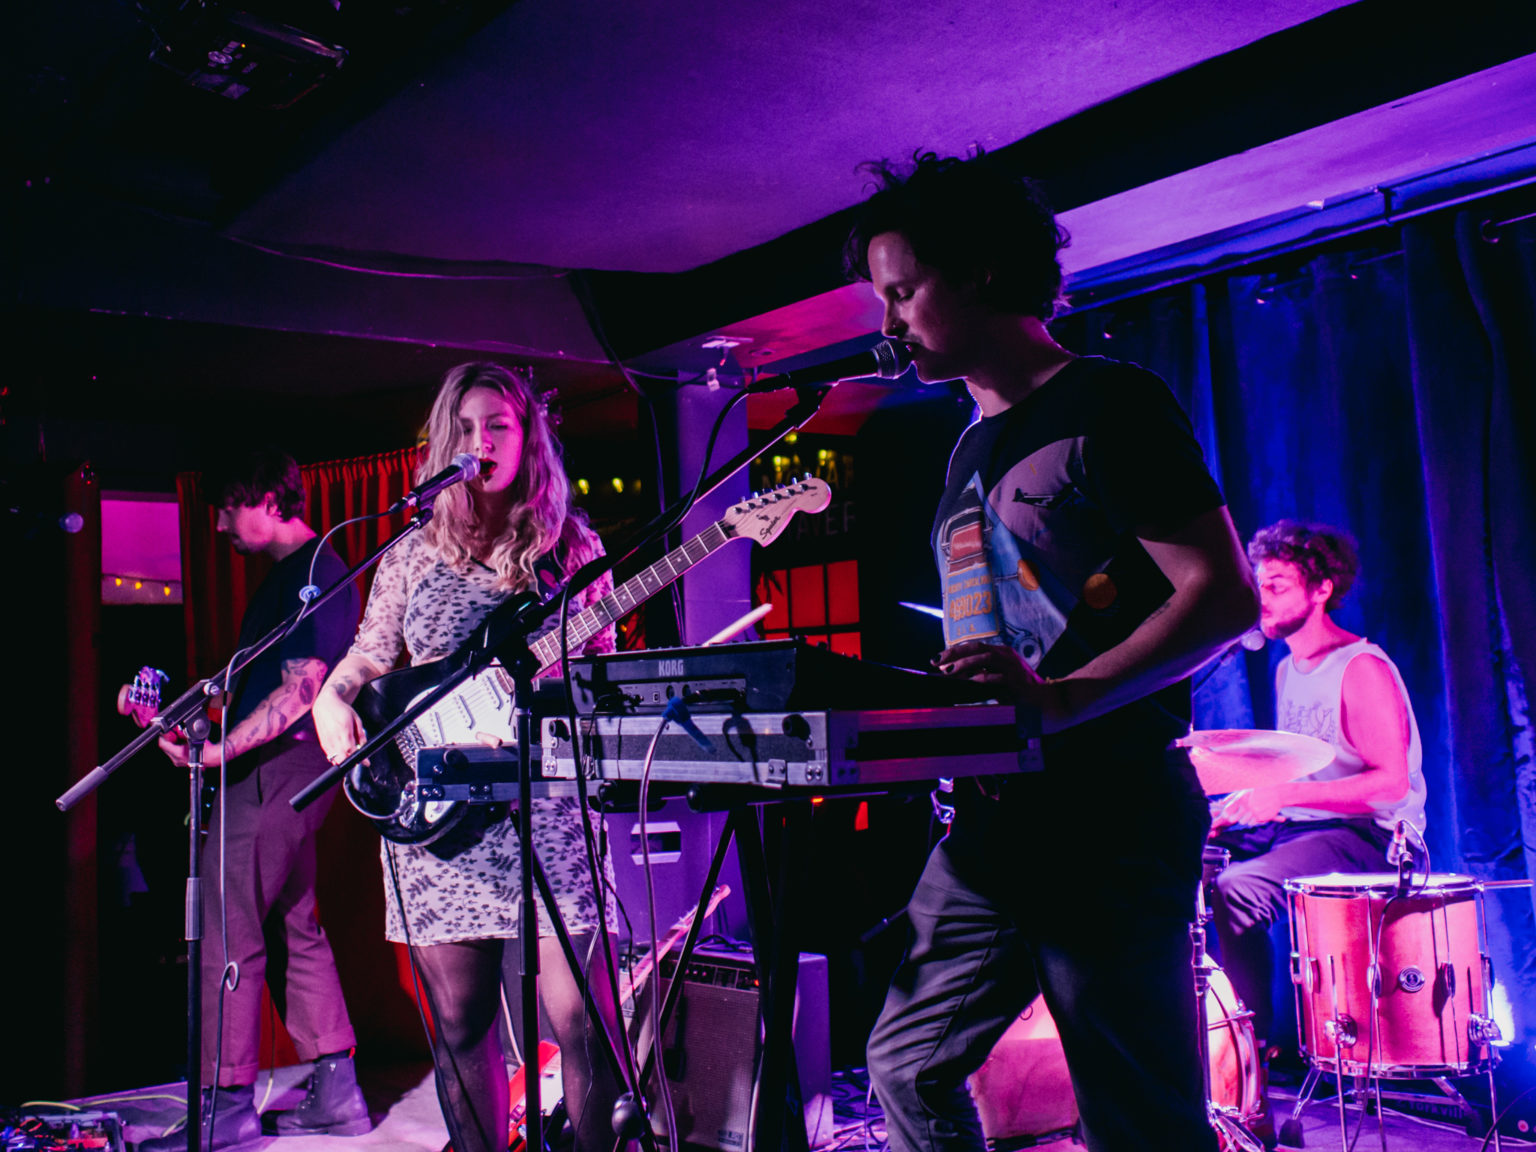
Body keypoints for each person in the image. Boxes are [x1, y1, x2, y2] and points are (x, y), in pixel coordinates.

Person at [845, 152, 1259, 1152]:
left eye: (903, 291)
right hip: (996, 820)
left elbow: (1224, 594)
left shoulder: (1109, 403)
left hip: (1109, 811)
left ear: (981, 272)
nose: (887, 321)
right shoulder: (963, 447)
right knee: (904, 1064)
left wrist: (1062, 698)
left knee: (1138, 1116)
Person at [312, 362, 624, 1152]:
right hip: (438, 811)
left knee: (584, 1020)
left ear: (528, 438)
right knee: (460, 1025)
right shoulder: (411, 552)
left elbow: (601, 676)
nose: (481, 442)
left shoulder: (570, 546)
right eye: (466, 428)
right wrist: (332, 697)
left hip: (546, 808)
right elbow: (370, 652)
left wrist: (541, 703)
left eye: (498, 426)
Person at [138, 448, 369, 1152]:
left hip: (279, 770)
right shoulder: (287, 579)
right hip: (285, 772)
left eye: (228, 508)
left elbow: (301, 690)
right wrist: (192, 728)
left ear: (270, 501)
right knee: (295, 923)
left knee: (226, 923)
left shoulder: (315, 573)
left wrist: (217, 753)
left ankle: (227, 1102)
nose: (219, 525)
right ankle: (337, 1091)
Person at [1209, 521, 1424, 1069]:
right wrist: (1237, 805)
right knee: (1188, 857)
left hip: (1371, 838)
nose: (1262, 597)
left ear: (1322, 589)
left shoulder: (1360, 667)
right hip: (1306, 829)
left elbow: (1390, 785)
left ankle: (1249, 1054)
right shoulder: (1287, 669)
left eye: (1277, 585)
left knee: (1238, 889)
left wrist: (1280, 797)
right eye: (1259, 585)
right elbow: (1304, 776)